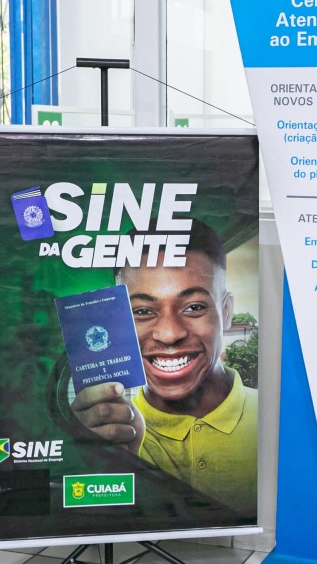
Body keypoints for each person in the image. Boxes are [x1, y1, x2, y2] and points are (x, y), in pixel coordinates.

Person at [69, 219, 258, 516]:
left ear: (226, 311)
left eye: (194, 307)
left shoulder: (276, 418)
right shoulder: (103, 430)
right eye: (143, 311)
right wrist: (111, 463)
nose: (169, 334)